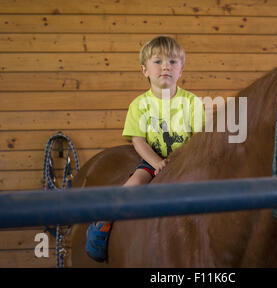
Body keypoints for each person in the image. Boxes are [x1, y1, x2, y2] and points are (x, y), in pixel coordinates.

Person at [85, 36, 204, 262]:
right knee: (135, 183)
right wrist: (157, 163)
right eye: (158, 61)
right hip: (152, 161)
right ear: (145, 70)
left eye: (173, 62)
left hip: (186, 163)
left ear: (181, 70)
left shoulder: (192, 102)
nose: (166, 66)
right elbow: (138, 141)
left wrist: (188, 162)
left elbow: (198, 139)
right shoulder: (139, 105)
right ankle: (104, 221)